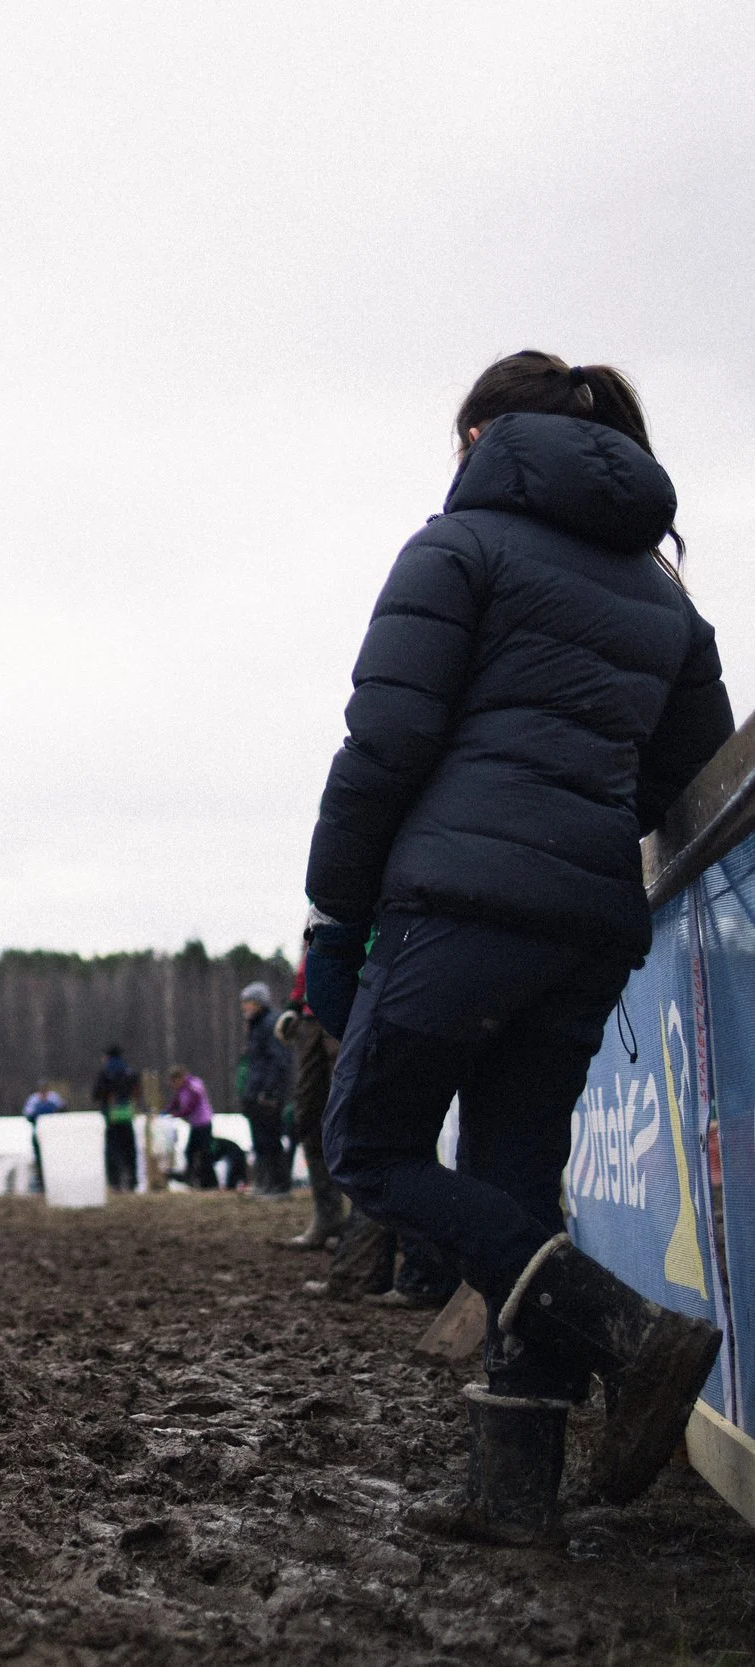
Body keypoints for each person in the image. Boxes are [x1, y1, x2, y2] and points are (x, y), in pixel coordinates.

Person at [305, 352, 731, 1544]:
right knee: (507, 1181)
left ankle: (626, 1336)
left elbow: (384, 740)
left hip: (459, 902)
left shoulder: (456, 550)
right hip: (586, 920)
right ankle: (513, 1490)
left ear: (485, 436)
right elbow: (685, 770)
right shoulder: (665, 602)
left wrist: (338, 902)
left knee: (370, 1143)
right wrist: (581, 826)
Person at [274, 958, 347, 1247]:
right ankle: (328, 1219)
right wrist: (294, 1003)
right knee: (307, 1115)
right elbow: (313, 954)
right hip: (310, 1019)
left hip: (348, 1006)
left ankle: (366, 1228)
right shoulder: (314, 913)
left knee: (351, 1112)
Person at [236, 982, 294, 1197]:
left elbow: (278, 1060)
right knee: (260, 1141)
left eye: (248, 1002)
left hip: (267, 1095)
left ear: (259, 1003)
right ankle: (265, 1183)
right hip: (255, 1093)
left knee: (270, 1140)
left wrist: (269, 1091)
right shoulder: (256, 1026)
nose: (245, 1007)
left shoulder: (269, 1024)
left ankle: (279, 1185)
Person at [164, 1066, 228, 1189]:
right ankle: (191, 1179)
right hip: (195, 1125)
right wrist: (167, 1110)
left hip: (203, 1124)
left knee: (205, 1153)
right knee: (190, 1152)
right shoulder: (182, 1088)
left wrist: (177, 1114)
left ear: (179, 1078)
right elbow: (176, 1101)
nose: (173, 1085)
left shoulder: (193, 1086)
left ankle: (210, 1183)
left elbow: (191, 1105)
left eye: (173, 1081)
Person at [91, 1044, 140, 1191]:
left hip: (111, 1117)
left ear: (108, 1057)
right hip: (126, 1116)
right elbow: (137, 1091)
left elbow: (96, 1094)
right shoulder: (129, 1072)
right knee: (129, 1149)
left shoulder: (105, 1074)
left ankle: (115, 1182)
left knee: (113, 1150)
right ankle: (132, 1180)